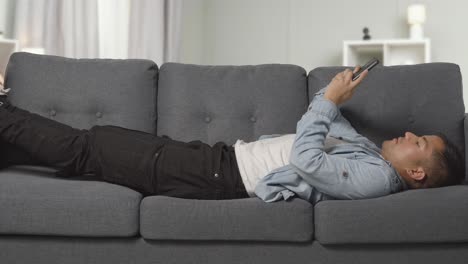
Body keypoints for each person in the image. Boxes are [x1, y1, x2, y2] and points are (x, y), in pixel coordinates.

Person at [0, 67, 463, 204]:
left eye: (417, 142)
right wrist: (335, 93)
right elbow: (320, 118)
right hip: (215, 159)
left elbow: (307, 159)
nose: (407, 134)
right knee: (97, 142)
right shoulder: (368, 155)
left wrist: (327, 105)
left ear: (417, 172)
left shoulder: (376, 180)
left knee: (90, 148)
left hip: (216, 176)